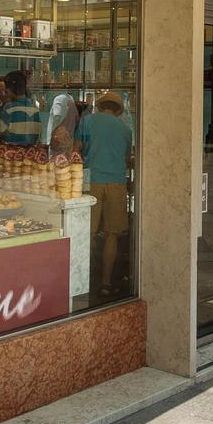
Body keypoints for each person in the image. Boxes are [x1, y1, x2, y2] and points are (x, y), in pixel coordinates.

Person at [77, 91, 133, 297]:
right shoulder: (126, 130)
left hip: (92, 181)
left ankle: (83, 280)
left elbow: (77, 149)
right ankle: (106, 282)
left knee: (87, 232)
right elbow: (127, 159)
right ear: (118, 110)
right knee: (112, 234)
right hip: (116, 182)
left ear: (100, 106)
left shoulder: (87, 122)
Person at [0, 71, 46, 146]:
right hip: (30, 150)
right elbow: (38, 134)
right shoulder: (34, 108)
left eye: (6, 90)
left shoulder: (8, 108)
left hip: (11, 151)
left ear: (9, 90)